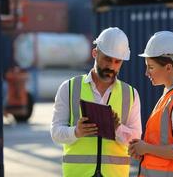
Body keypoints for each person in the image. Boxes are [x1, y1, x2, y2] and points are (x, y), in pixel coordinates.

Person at [51, 27, 142, 177]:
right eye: (107, 59)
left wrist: (117, 128)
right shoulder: (69, 88)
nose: (111, 66)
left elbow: (136, 141)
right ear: (95, 53)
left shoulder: (130, 94)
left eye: (117, 61)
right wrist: (76, 132)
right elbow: (55, 132)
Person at [128, 31, 173, 176]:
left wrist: (146, 148)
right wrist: (142, 150)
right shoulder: (169, 96)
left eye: (151, 67)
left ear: (168, 67)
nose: (146, 73)